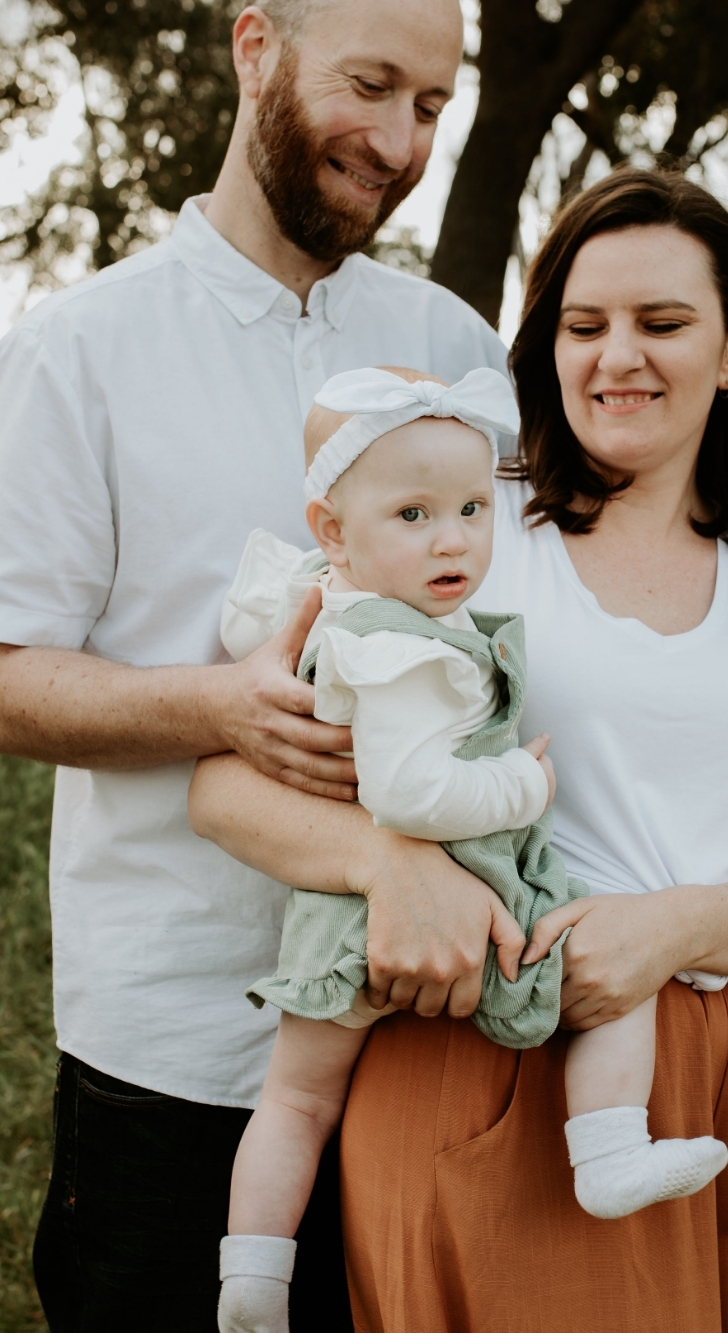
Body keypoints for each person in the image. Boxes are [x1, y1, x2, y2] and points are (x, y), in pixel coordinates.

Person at [188, 166, 728, 1329]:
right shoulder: (460, 532)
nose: (619, 356)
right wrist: (389, 865)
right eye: (583, 324)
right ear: (545, 349)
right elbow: (224, 786)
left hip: (704, 1064)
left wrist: (666, 930)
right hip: (475, 1048)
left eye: (662, 323)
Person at [0, 2, 502, 1326]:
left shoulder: (457, 346)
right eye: (373, 86)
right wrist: (211, 706)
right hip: (171, 1047)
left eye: (434, 108)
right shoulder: (75, 351)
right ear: (256, 46)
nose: (400, 142)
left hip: (430, 1039)